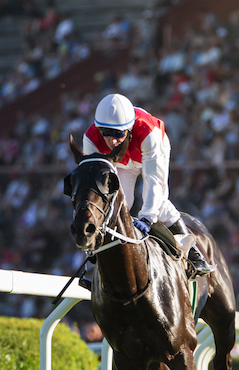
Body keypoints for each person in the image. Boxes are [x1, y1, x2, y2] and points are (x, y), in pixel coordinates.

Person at [82, 93, 212, 278]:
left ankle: (193, 253)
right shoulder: (90, 139)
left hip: (151, 153)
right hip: (121, 162)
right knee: (115, 203)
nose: (112, 141)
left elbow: (154, 181)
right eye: (106, 133)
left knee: (158, 204)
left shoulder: (148, 133)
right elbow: (97, 185)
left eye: (118, 134)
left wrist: (147, 218)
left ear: (129, 129)